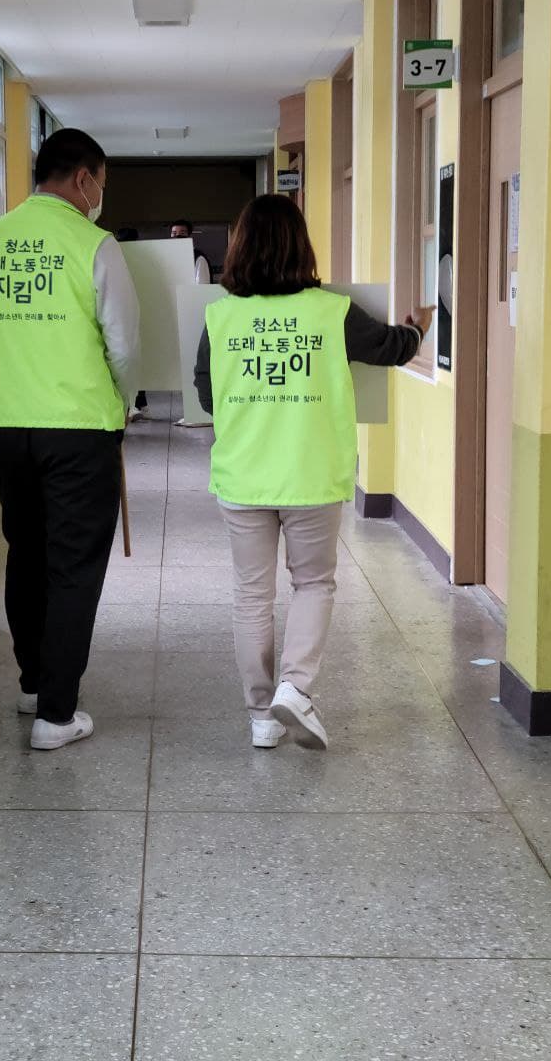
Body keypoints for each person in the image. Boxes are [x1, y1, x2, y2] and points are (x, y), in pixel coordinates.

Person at [193, 195, 432, 750]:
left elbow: (206, 396)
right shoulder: (331, 312)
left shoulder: (220, 317)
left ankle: (261, 716)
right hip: (311, 473)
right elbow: (391, 349)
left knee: (251, 595)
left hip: (243, 474)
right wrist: (417, 328)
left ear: (240, 248)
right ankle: (295, 688)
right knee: (313, 584)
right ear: (301, 247)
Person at [0, 128, 140, 751]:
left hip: (8, 429)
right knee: (72, 566)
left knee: (26, 554)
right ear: (84, 179)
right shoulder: (94, 245)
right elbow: (123, 346)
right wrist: (124, 405)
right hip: (79, 429)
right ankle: (57, 715)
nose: (100, 196)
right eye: (101, 184)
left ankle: (34, 684)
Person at [114, 228, 150, 419]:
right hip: (142, 313)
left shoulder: (115, 258)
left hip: (122, 315)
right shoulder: (143, 259)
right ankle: (137, 404)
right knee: (137, 360)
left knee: (127, 359)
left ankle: (133, 404)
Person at [171, 218, 212, 284]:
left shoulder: (199, 258)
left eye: (182, 233)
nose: (178, 236)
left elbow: (202, 287)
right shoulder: (171, 257)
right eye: (174, 233)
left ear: (189, 236)